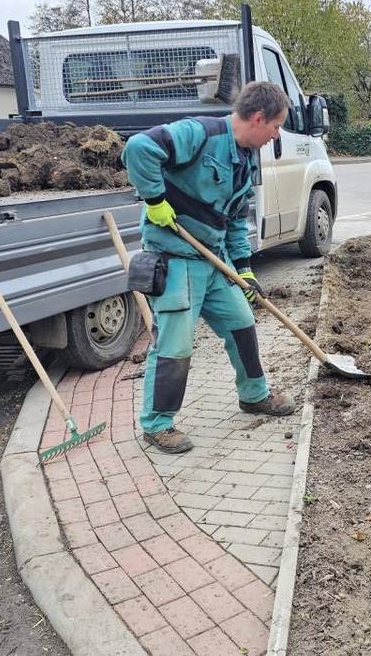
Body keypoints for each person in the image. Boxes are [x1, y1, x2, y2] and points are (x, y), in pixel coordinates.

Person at [121, 81, 296, 454]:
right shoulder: (200, 133)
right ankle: (158, 424)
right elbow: (139, 148)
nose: (276, 135)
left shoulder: (247, 158)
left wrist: (245, 269)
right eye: (277, 126)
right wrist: (154, 200)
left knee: (241, 324)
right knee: (175, 345)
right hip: (179, 260)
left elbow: (233, 220)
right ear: (259, 117)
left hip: (214, 262)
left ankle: (253, 395)